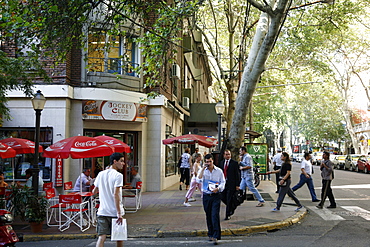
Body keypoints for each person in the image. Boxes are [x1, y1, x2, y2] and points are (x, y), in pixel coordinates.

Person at [93, 153, 125, 247]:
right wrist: (119, 213)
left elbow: (94, 191)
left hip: (102, 211)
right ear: (115, 162)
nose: (123, 163)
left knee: (102, 237)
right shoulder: (118, 176)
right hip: (115, 212)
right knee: (119, 237)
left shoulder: (101, 174)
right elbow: (116, 194)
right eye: (121, 161)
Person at [197, 153, 225, 245]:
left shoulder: (219, 171)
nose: (208, 163)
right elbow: (198, 180)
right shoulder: (203, 170)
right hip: (206, 196)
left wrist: (219, 188)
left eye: (210, 161)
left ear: (213, 161)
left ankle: (216, 235)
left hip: (215, 196)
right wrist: (203, 169)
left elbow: (223, 182)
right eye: (207, 162)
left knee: (214, 215)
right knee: (208, 215)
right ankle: (211, 234)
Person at [219, 149, 240, 220]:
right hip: (223, 183)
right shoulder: (221, 163)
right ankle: (232, 206)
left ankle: (227, 214)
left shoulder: (234, 163)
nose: (228, 156)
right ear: (224, 155)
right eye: (226, 154)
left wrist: (237, 185)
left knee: (229, 198)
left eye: (229, 154)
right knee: (222, 197)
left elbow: (237, 174)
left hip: (231, 183)